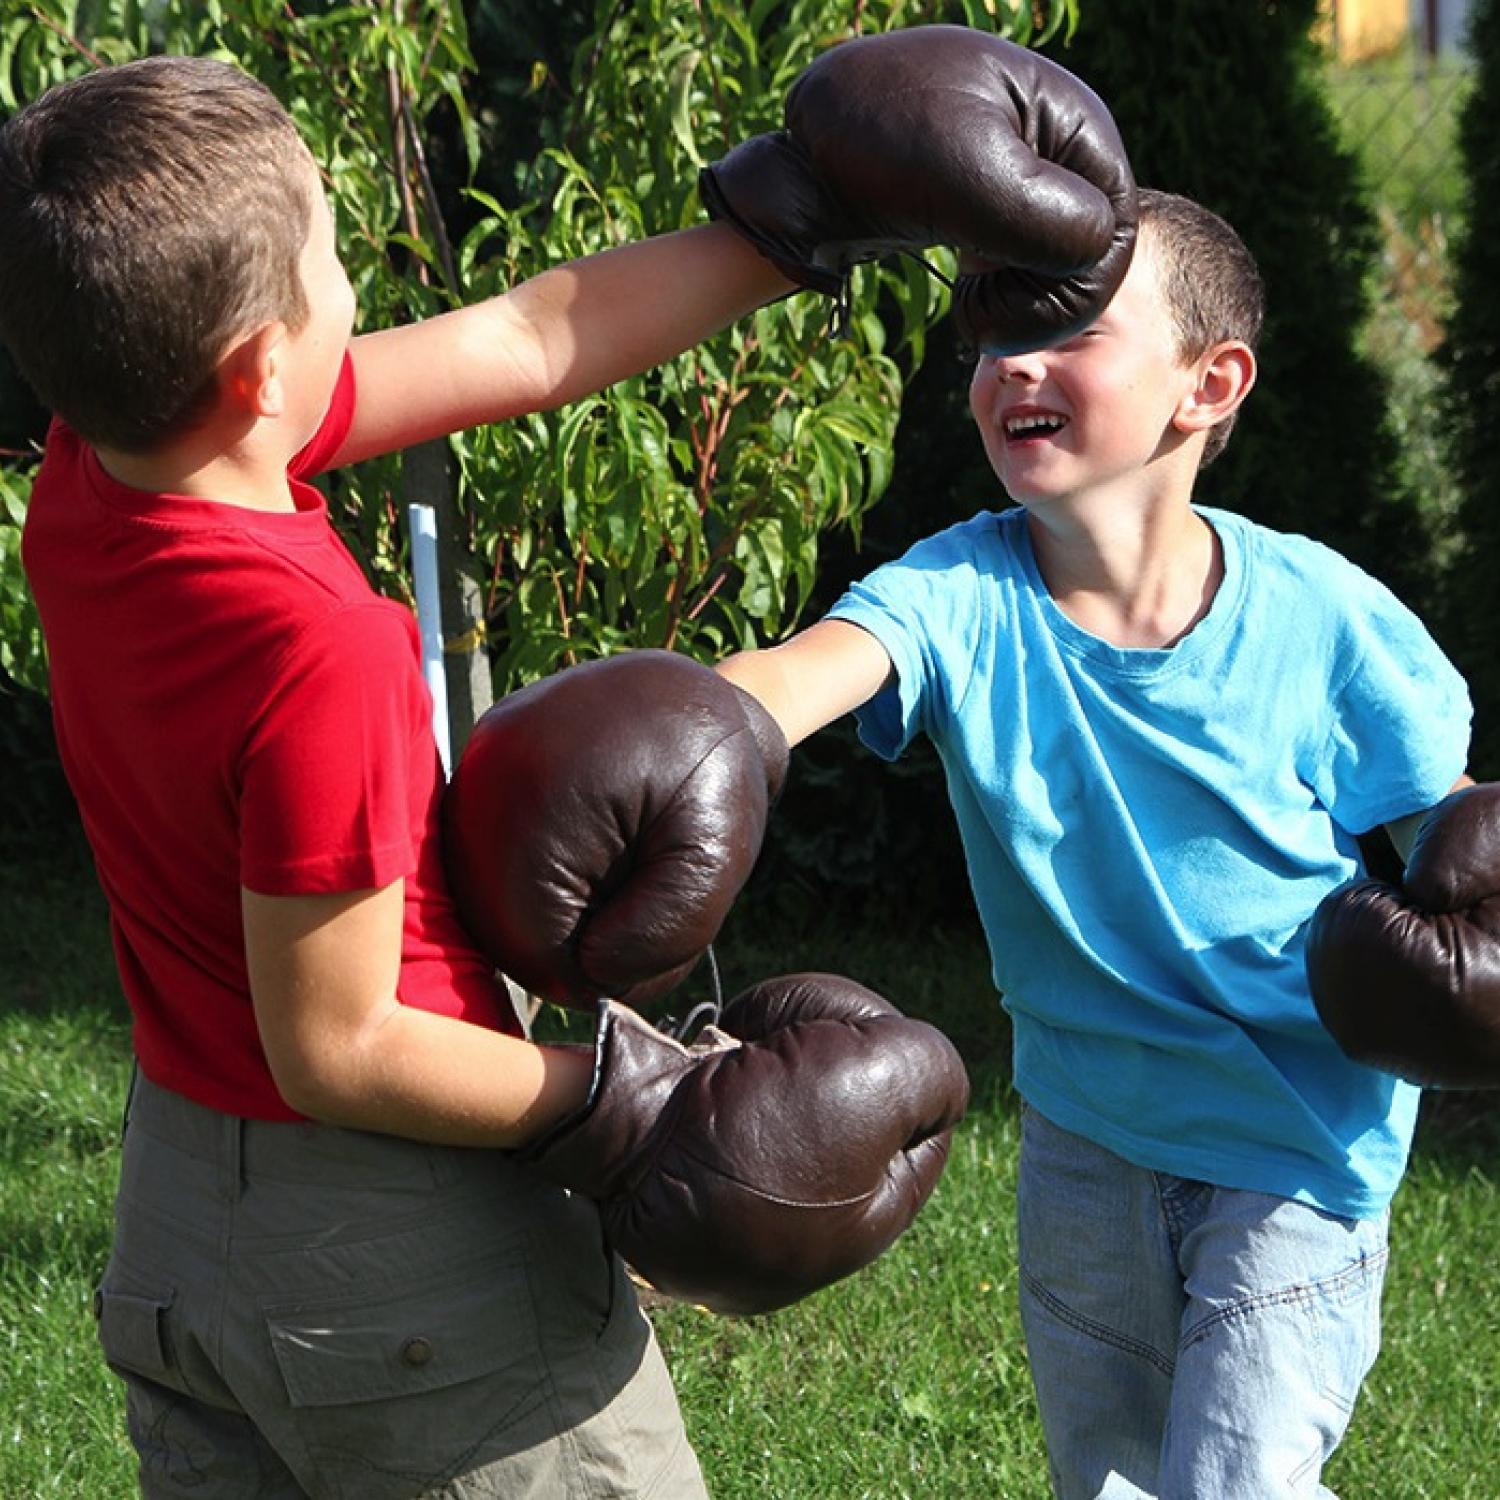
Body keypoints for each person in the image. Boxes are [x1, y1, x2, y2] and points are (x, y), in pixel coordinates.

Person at [0, 34, 1133, 1500]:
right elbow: (334, 1043)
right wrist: (630, 1104)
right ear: (258, 368)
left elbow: (530, 340)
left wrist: (792, 219)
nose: (353, 283)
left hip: (187, 1228)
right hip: (396, 1252)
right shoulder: (317, 649)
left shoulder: (93, 481)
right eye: (331, 254)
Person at [716, 188, 1473, 1499]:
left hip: (1295, 1147)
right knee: (1114, 1482)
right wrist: (663, 732)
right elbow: (792, 681)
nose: (1016, 359)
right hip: (1084, 1138)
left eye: (1070, 328)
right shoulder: (958, 594)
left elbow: (1458, 835)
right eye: (997, 326)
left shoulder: (1327, 624)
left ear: (1207, 382)